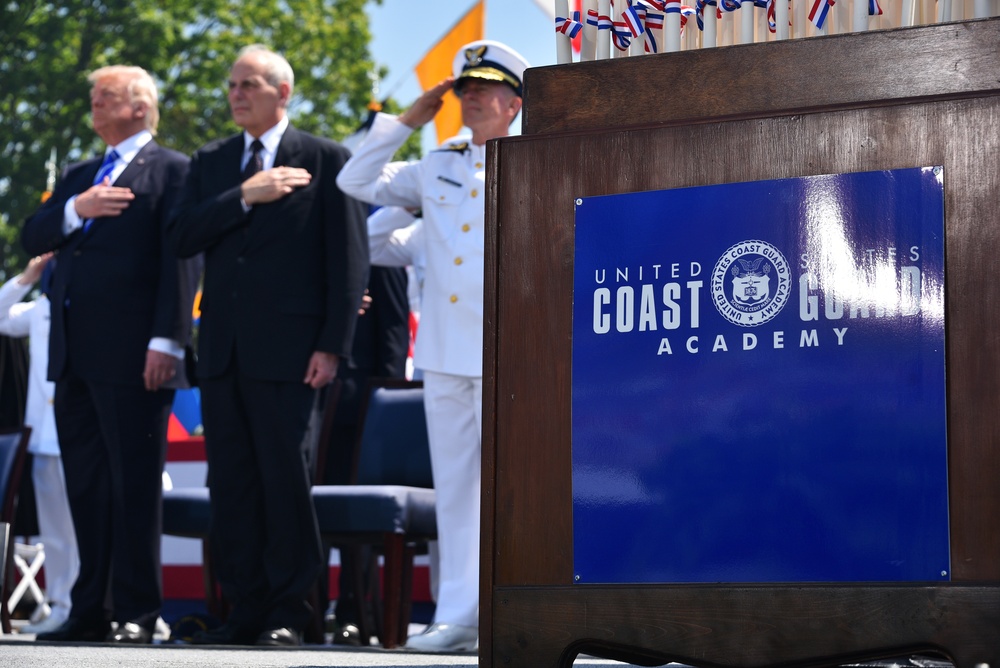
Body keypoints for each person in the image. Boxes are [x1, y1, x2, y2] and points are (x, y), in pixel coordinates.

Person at [166, 45, 368, 647]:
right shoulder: (213, 161)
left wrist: (332, 345)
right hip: (223, 353)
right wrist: (244, 195)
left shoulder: (328, 158)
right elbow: (180, 236)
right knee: (232, 484)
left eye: (248, 84)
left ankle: (290, 612)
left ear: (283, 92)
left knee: (285, 481)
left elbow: (349, 261)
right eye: (231, 85)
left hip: (293, 355)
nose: (235, 94)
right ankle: (244, 610)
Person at [335, 39, 529, 652]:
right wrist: (407, 122)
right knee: (455, 490)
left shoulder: (534, 160)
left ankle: (513, 613)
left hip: (514, 355)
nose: (471, 95)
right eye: (464, 86)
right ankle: (457, 617)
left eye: (485, 87)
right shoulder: (436, 163)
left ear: (513, 103)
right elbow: (354, 179)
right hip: (446, 357)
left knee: (517, 493)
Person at [21, 65, 197, 644]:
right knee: (88, 487)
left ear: (140, 108)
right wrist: (79, 209)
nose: (94, 107)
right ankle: (89, 607)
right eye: (94, 99)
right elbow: (34, 235)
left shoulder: (172, 169)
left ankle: (138, 612)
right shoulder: (79, 175)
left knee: (134, 485)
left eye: (105, 98)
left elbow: (181, 258)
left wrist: (167, 339)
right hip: (73, 357)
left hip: (134, 355)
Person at [0, 254, 80, 634]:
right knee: (55, 532)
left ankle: (96, 602)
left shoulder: (86, 299)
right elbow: (1, 317)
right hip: (46, 435)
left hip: (83, 434)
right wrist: (26, 277)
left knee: (87, 527)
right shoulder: (41, 307)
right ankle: (62, 604)